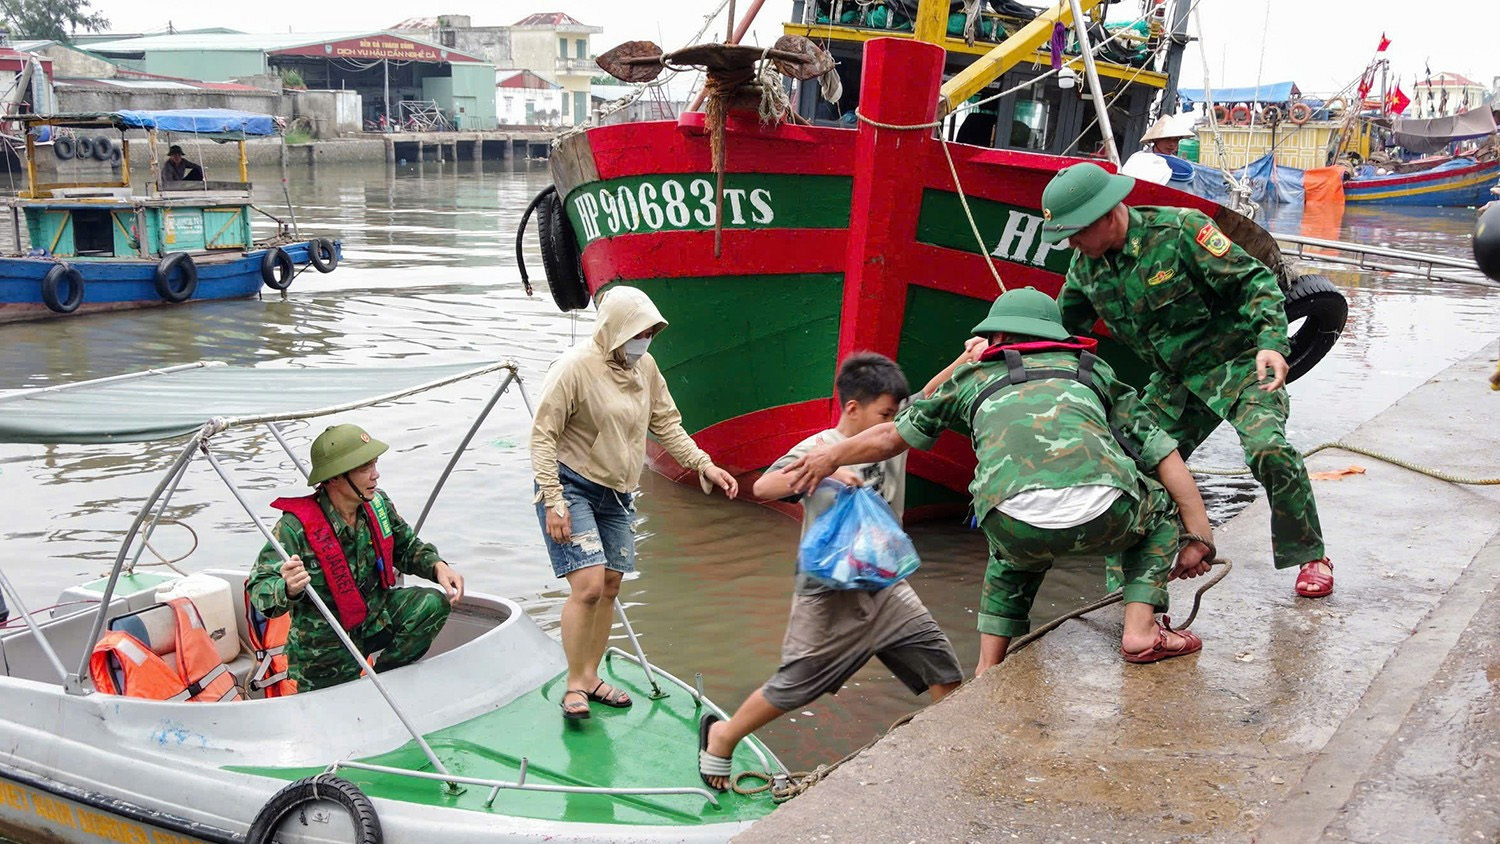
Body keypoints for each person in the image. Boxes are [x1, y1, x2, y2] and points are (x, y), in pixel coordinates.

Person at [783, 290, 1215, 676]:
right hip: (1107, 515)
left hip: (1014, 523)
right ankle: (1140, 631)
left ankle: (989, 666)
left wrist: (831, 453)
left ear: (996, 339)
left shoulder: (972, 378)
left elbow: (893, 435)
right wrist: (1199, 536)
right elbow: (1163, 454)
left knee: (1007, 542)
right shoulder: (1092, 369)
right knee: (1158, 507)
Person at [1041, 162, 1333, 597]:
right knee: (1131, 467)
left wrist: (1273, 341)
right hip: (1175, 382)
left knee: (1268, 449)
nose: (1072, 244)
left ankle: (1310, 554)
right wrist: (1003, 344)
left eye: (1076, 232)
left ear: (1106, 215)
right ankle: (1135, 583)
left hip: (1238, 365)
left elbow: (1254, 282)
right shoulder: (1087, 270)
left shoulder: (1180, 231)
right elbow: (1059, 329)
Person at [698, 352, 965, 792]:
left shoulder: (890, 437)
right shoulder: (817, 448)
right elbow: (763, 486)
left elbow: (927, 398)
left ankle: (945, 757)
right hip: (829, 593)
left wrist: (964, 360)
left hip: (886, 585)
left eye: (895, 416)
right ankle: (722, 736)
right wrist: (828, 472)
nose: (891, 423)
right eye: (884, 414)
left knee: (942, 667)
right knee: (795, 685)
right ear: (853, 408)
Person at [530, 286, 739, 721]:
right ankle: (573, 685)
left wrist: (705, 465)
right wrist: (554, 500)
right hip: (571, 485)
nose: (645, 340)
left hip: (618, 490)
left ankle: (590, 675)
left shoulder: (644, 367)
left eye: (651, 332)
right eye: (639, 332)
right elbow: (542, 436)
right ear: (616, 328)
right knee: (586, 587)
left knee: (610, 585)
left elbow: (667, 423)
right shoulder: (574, 368)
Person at [246, 424, 465, 692]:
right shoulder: (295, 528)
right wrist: (288, 588)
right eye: (365, 468)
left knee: (432, 604)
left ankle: (384, 682)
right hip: (326, 642)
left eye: (374, 464)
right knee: (332, 719)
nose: (375, 475)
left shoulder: (377, 505)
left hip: (376, 616)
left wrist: (437, 566)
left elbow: (405, 547)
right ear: (335, 478)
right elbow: (259, 588)